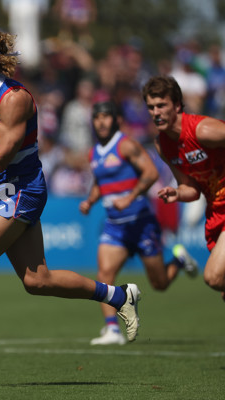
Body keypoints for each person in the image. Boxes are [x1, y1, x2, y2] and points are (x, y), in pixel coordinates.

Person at [0, 23, 141, 382]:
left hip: (23, 188)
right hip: (4, 188)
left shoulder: (15, 99)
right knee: (37, 280)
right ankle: (119, 296)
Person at [80, 100, 198, 345]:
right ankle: (112, 329)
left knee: (160, 283)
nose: (101, 121)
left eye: (106, 116)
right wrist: (90, 201)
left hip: (141, 223)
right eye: (97, 117)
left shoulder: (126, 145)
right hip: (115, 226)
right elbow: (99, 184)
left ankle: (178, 260)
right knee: (105, 275)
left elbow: (151, 174)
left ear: (117, 120)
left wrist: (130, 197)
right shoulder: (93, 153)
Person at [143, 75, 225, 301]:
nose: (155, 112)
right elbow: (191, 189)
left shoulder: (203, 130)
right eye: (151, 107)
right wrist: (178, 193)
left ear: (177, 106)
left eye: (161, 105)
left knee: (214, 277)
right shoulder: (163, 144)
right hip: (216, 213)